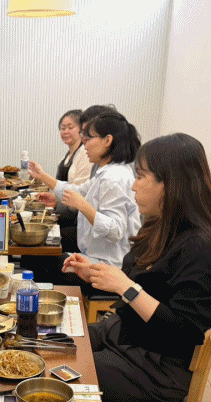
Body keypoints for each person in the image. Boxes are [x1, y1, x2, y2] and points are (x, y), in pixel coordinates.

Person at [64, 133, 211, 402]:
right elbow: (142, 281)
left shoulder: (203, 248)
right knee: (53, 344)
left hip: (155, 367)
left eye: (141, 176)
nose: (133, 185)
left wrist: (125, 287)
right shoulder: (160, 226)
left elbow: (183, 332)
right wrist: (96, 273)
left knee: (58, 373)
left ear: (171, 183)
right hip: (126, 334)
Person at [28, 110, 142, 283]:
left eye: (89, 139)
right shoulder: (107, 172)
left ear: (107, 141)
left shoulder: (115, 178)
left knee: (38, 259)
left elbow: (116, 230)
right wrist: (42, 176)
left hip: (110, 267)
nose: (85, 145)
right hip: (95, 256)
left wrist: (82, 205)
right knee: (37, 255)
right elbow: (77, 191)